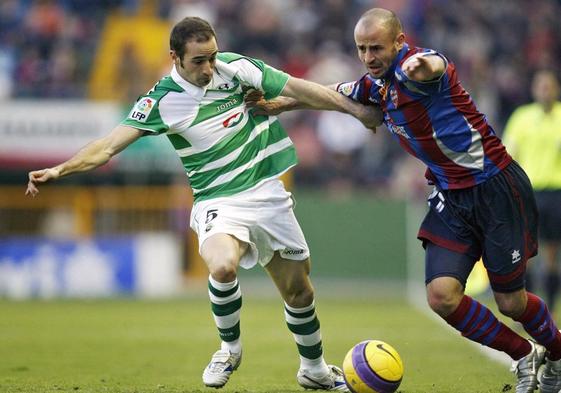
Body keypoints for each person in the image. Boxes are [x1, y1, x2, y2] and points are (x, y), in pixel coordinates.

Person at [26, 16, 382, 391]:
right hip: (217, 200)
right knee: (223, 265)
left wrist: (355, 111)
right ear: (175, 58)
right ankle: (229, 349)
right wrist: (60, 170)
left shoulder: (237, 68)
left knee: (300, 291)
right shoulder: (162, 99)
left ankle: (313, 369)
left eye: (212, 57)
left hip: (268, 194)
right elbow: (107, 147)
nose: (209, 68)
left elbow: (302, 89)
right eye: (199, 61)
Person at [248, 8, 561, 393]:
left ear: (399, 42)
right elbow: (331, 95)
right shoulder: (374, 85)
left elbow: (431, 65)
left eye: (376, 48)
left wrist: (417, 65)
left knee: (511, 303)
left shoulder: (423, 69)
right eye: (361, 49)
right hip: (450, 194)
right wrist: (281, 105)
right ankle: (522, 355)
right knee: (442, 297)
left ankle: (558, 354)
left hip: (496, 187)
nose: (368, 57)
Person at [503, 70, 561, 312]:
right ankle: (530, 310)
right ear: (534, 89)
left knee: (550, 253)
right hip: (528, 192)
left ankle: (550, 307)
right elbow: (509, 153)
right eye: (541, 85)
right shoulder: (522, 117)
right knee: (527, 253)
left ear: (556, 89)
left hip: (556, 193)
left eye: (549, 85)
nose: (545, 89)